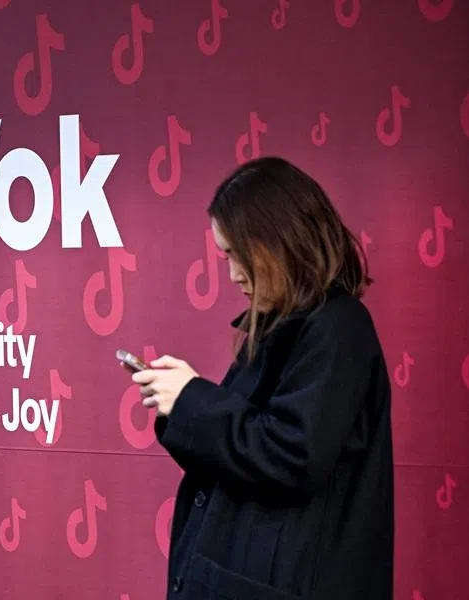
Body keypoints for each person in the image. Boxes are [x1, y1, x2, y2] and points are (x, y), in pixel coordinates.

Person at [133, 156, 394, 599]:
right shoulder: (285, 325)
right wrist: (180, 402)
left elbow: (291, 454)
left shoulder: (338, 327)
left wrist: (193, 400)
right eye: (227, 257)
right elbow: (247, 447)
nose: (235, 276)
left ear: (281, 241)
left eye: (241, 256)